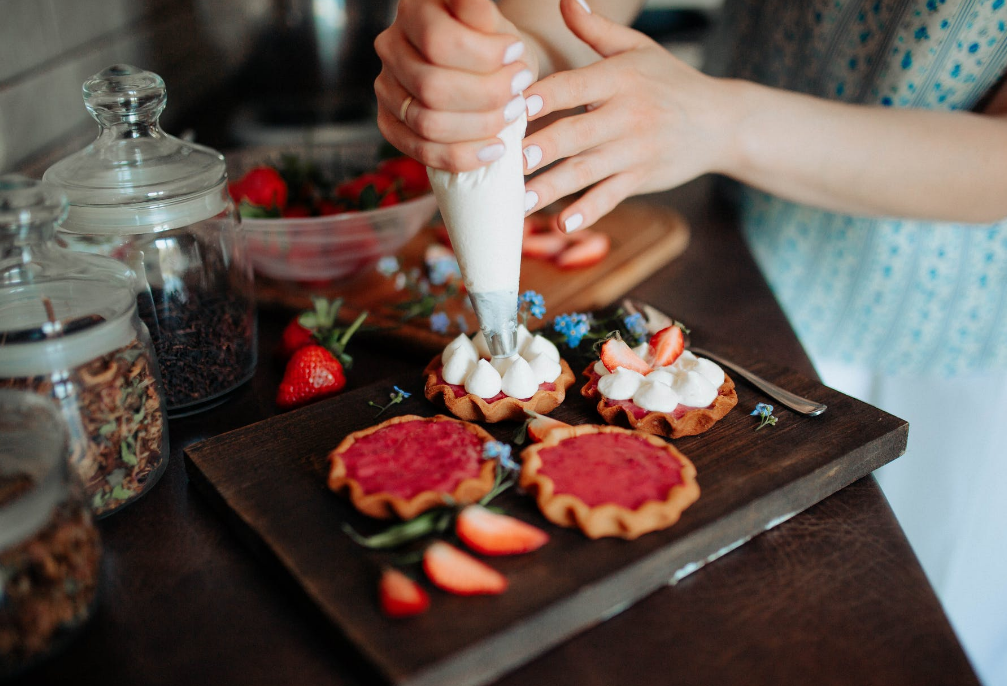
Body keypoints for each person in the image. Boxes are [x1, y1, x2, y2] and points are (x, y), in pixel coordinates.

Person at [374, 1, 1007, 684]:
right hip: (741, 271)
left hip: (951, 336)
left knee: (907, 632)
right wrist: (496, 60)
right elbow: (568, 13)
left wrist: (723, 123)